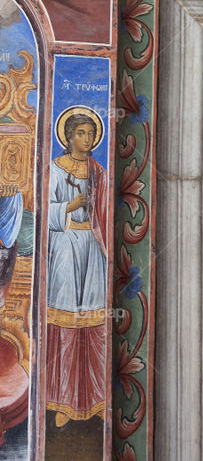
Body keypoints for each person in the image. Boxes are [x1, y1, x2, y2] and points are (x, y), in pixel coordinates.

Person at [46, 108, 108, 428]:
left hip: (92, 249)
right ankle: (63, 402)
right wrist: (69, 207)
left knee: (94, 324)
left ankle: (96, 398)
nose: (86, 139)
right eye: (80, 134)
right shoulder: (55, 170)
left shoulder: (99, 172)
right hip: (66, 246)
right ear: (68, 137)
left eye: (90, 134)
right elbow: (46, 211)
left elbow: (108, 212)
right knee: (66, 324)